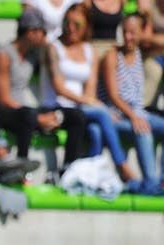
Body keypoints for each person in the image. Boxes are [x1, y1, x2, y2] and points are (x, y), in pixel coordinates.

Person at [0, 7, 89, 173]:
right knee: (27, 115)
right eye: (43, 32)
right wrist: (38, 118)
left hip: (25, 112)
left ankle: (69, 169)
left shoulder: (32, 54)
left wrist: (51, 117)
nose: (45, 36)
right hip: (3, 113)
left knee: (75, 116)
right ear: (31, 32)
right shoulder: (3, 55)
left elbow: (54, 51)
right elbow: (4, 99)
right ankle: (21, 166)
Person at [45, 4, 138, 180]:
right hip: (58, 107)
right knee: (102, 114)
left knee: (95, 130)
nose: (71, 28)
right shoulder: (53, 48)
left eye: (77, 24)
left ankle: (92, 175)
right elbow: (59, 88)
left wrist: (90, 102)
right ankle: (121, 164)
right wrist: (94, 104)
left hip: (81, 109)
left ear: (86, 26)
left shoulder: (89, 51)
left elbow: (90, 91)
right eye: (67, 23)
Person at [100, 12, 164, 189]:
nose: (128, 37)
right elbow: (113, 95)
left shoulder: (141, 52)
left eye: (133, 32)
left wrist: (145, 36)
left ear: (142, 33)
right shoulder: (112, 56)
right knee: (143, 130)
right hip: (117, 115)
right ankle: (150, 182)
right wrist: (133, 117)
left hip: (137, 112)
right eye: (125, 32)